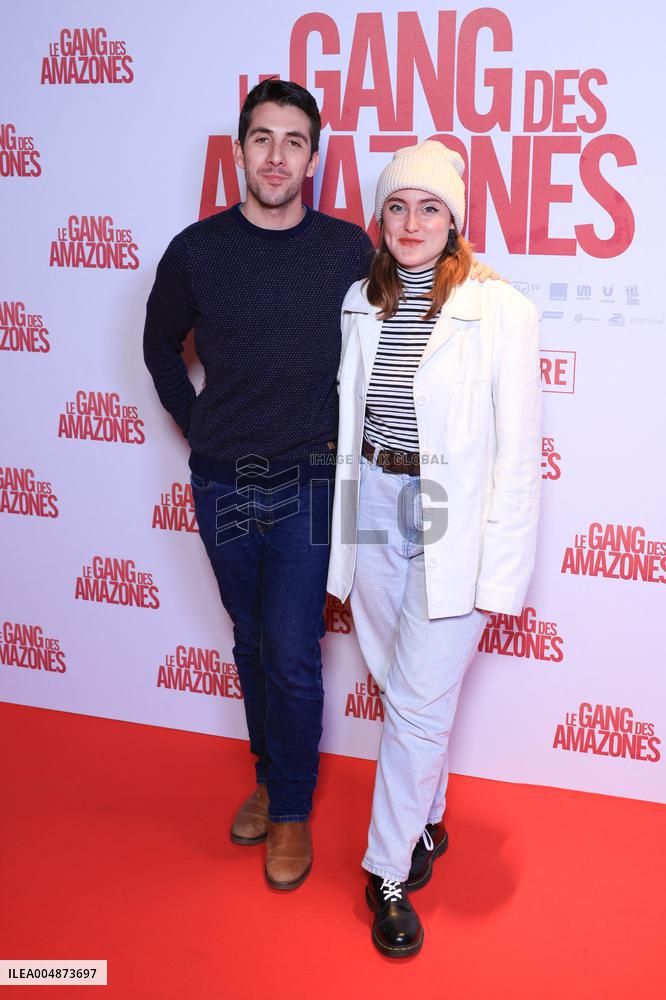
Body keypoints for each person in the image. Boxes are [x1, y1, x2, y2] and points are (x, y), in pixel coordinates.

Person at [144, 80, 497, 893]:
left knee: (294, 653)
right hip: (223, 482)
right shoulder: (195, 250)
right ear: (239, 152)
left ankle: (293, 810)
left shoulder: (348, 252)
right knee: (247, 640)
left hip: (310, 481)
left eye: (293, 141)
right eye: (261, 139)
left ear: (313, 156)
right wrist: (196, 425)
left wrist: (489, 294)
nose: (276, 155)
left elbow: (427, 294)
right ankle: (269, 781)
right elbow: (160, 346)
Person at [327, 140, 541, 955]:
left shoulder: (502, 311)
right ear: (379, 219)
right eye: (396, 205)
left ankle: (385, 869)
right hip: (376, 498)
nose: (411, 221)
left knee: (417, 702)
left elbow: (517, 459)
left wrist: (502, 574)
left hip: (450, 510)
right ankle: (429, 821)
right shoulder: (360, 300)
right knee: (396, 681)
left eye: (429, 207)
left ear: (455, 219)